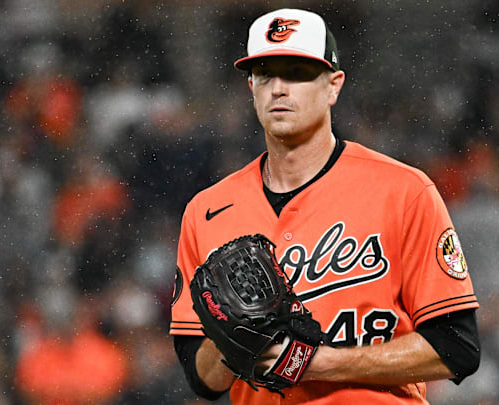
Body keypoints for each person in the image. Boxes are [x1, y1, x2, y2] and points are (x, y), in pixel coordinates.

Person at [170, 8, 481, 404]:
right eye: (265, 74)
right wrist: (231, 335)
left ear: (333, 86)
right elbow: (202, 381)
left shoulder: (404, 190)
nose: (278, 88)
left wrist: (316, 363)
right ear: (251, 87)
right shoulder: (207, 210)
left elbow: (457, 347)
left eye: (296, 72)